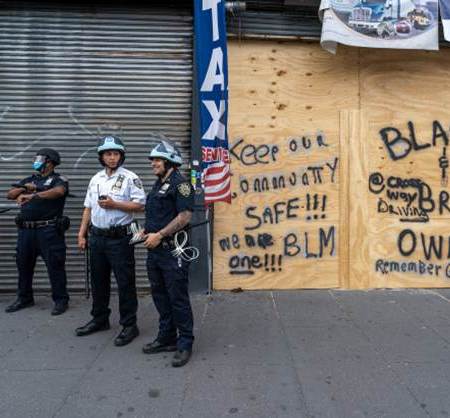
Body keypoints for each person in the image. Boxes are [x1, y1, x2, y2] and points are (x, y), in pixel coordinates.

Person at [76, 135, 145, 347]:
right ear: (102, 157)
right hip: (97, 238)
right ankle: (100, 319)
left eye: (115, 154)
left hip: (120, 239)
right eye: (108, 154)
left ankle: (129, 325)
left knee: (125, 282)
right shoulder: (96, 178)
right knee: (98, 281)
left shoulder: (130, 177)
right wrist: (81, 234)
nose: (112, 157)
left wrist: (116, 204)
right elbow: (88, 207)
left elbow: (140, 205)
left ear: (121, 156)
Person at [142, 139, 195, 367]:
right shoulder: (158, 184)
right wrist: (146, 232)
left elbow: (184, 217)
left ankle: (185, 343)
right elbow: (159, 214)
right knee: (160, 296)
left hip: (174, 251)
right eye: (152, 160)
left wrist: (160, 234)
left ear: (170, 162)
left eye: (157, 160)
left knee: (177, 298)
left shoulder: (181, 185)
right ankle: (166, 338)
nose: (153, 163)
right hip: (155, 251)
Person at [5, 148, 70, 315]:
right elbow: (10, 195)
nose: (36, 161)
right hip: (26, 231)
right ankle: (24, 298)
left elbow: (59, 191)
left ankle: (61, 300)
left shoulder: (58, 179)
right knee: (23, 265)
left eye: (39, 159)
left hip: (49, 231)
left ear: (50, 162)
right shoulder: (29, 179)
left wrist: (33, 194)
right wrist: (23, 189)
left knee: (55, 266)